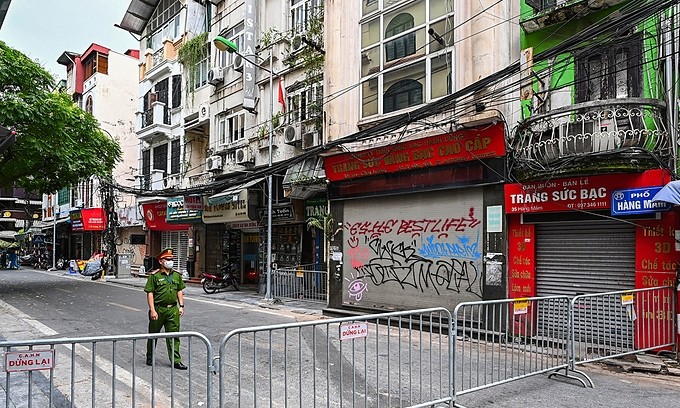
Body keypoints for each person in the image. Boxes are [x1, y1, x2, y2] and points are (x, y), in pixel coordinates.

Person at [145, 247, 187, 370]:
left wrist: (181, 306)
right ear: (160, 261)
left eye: (171, 259)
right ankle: (150, 356)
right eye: (167, 259)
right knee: (153, 334)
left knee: (174, 336)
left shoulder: (176, 275)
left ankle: (176, 360)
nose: (170, 261)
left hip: (173, 310)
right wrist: (152, 310)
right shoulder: (155, 276)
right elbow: (150, 293)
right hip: (158, 309)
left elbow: (179, 290)